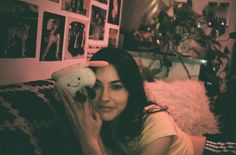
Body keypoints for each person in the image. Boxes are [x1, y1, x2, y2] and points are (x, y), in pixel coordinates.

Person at [56, 47, 236, 155]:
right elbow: (60, 84)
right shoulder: (97, 119)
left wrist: (89, 142)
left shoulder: (156, 123)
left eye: (116, 86)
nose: (104, 97)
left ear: (131, 91)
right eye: (97, 86)